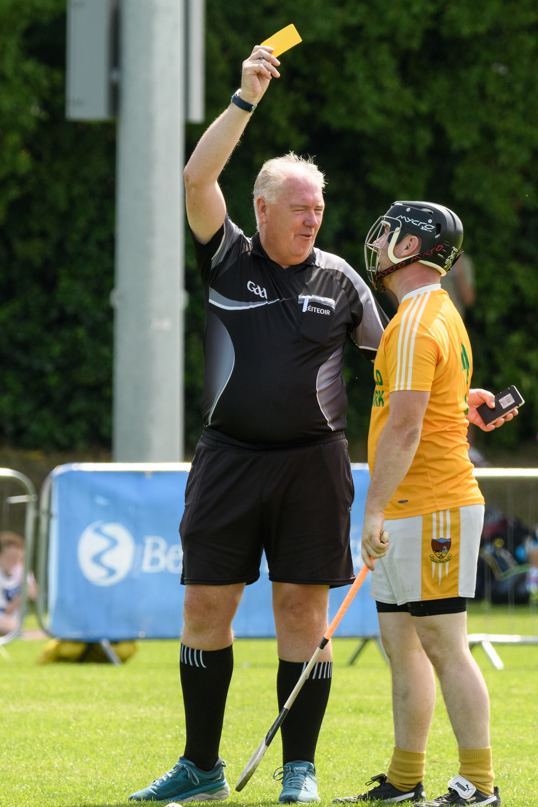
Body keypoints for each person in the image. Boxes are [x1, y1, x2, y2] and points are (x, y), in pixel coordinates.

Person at [128, 44, 388, 806]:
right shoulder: (228, 258)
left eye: (320, 209)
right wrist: (244, 99)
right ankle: (201, 766)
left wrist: (458, 393)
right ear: (264, 207)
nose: (312, 218)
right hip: (229, 458)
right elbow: (196, 177)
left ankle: (297, 770)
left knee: (302, 611)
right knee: (206, 604)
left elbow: (402, 354)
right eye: (299, 206)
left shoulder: (341, 278)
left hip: (313, 464)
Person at [334, 202, 515, 807]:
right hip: (413, 505)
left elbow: (406, 426)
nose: (378, 241)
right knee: (401, 644)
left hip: (432, 504)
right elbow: (435, 402)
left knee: (443, 644)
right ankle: (405, 778)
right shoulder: (432, 312)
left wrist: (374, 509)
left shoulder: (415, 321)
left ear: (413, 247)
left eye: (390, 234)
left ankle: (479, 785)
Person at [0, 531, 36, 636]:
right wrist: (22, 596)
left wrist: (29, 586)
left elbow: (35, 594)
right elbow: (5, 612)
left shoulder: (22, 572)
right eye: (11, 558)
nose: (15, 562)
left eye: (19, 558)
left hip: (12, 623)